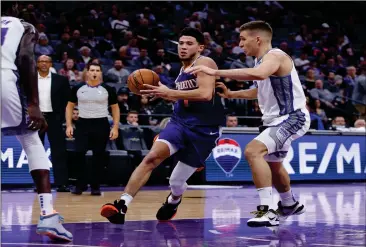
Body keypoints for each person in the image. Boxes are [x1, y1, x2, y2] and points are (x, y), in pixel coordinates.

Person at [185, 20, 309, 227]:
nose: (240, 44)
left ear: (257, 39)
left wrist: (214, 72)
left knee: (253, 151)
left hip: (292, 117)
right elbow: (257, 90)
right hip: (275, 120)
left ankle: (267, 210)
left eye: (243, 39)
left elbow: (259, 75)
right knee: (274, 165)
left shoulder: (275, 56)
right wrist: (232, 94)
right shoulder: (260, 62)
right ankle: (289, 204)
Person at [100, 27, 225, 224]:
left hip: (204, 131)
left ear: (200, 47)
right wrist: (162, 94)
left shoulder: (205, 62)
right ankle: (121, 205)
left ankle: (174, 200)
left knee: (176, 182)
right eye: (181, 43)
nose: (183, 47)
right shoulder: (181, 72)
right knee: (151, 158)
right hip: (179, 123)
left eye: (189, 43)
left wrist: (171, 93)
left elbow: (205, 94)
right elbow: (181, 98)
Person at [1, 16, 72, 241]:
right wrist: (33, 102)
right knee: (32, 140)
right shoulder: (22, 25)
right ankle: (48, 215)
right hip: (4, 78)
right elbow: (24, 56)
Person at [65, 63, 120, 195]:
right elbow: (69, 106)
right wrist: (68, 125)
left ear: (100, 73)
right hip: (83, 123)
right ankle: (80, 184)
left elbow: (115, 108)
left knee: (98, 156)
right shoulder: (78, 88)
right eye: (92, 70)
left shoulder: (108, 89)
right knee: (79, 154)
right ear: (87, 72)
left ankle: (95, 186)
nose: (94, 72)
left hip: (101, 123)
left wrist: (115, 127)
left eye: (97, 70)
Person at [37, 55, 71, 192]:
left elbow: (67, 100)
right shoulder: (30, 80)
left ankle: (61, 183)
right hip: (36, 118)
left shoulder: (61, 80)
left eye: (46, 61)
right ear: (37, 64)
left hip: (54, 118)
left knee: (59, 151)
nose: (44, 63)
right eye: (41, 61)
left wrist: (61, 117)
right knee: (37, 152)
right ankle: (39, 184)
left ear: (51, 64)